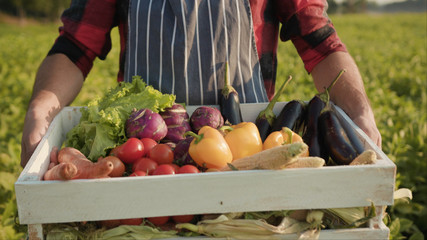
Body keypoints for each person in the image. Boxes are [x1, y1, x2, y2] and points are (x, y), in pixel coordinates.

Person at [20, 0, 381, 168]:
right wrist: (41, 108)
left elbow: (317, 38)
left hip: (249, 155)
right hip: (144, 159)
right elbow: (76, 46)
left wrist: (361, 111)